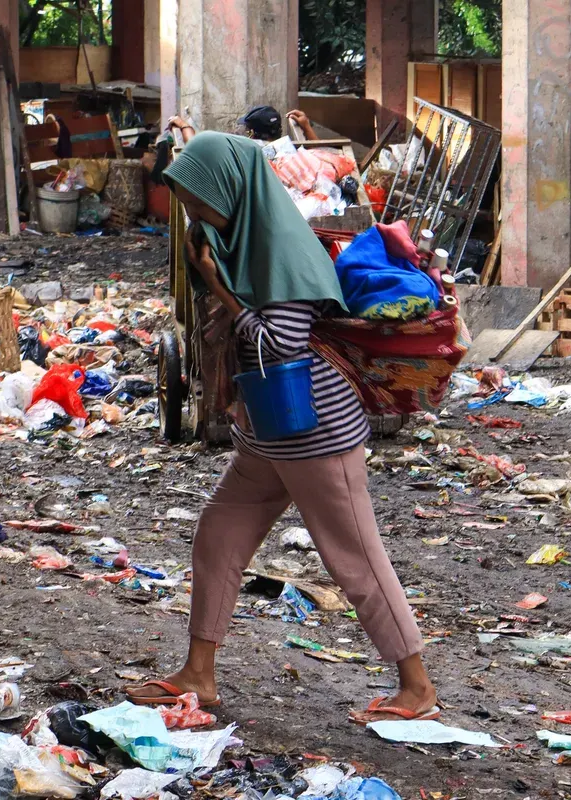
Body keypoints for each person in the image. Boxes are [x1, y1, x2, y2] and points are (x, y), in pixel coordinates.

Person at [124, 132, 439, 725]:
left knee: (355, 559)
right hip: (270, 430)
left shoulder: (281, 251)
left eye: (199, 200)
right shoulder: (244, 245)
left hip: (313, 429)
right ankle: (199, 672)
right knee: (219, 533)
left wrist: (223, 294)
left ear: (231, 190)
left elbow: (281, 343)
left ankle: (416, 685)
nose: (194, 214)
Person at [169, 105, 319, 145]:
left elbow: (196, 147)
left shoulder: (247, 150)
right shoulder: (289, 151)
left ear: (251, 133)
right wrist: (306, 126)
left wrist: (184, 125)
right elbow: (320, 152)